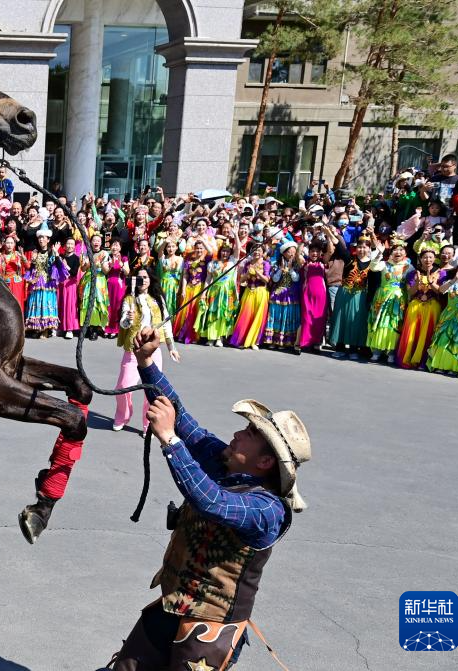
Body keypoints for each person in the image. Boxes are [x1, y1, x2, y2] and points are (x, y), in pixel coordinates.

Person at [107, 326, 311, 671]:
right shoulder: (226, 463)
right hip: (173, 606)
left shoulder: (266, 509)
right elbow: (185, 420)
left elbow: (211, 501)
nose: (236, 433)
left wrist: (169, 440)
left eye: (248, 434)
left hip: (212, 629)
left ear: (265, 462)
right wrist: (147, 364)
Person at [113, 271, 180, 432]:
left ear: (151, 280)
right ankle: (123, 414)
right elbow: (123, 324)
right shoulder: (129, 299)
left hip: (152, 350)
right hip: (133, 350)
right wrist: (128, 319)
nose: (143, 280)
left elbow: (166, 324)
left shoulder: (158, 300)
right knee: (123, 386)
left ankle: (148, 423)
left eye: (146, 277)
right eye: (139, 277)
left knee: (151, 390)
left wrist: (172, 347)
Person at [366, 237, 412, 363]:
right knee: (379, 322)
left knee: (393, 324)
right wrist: (379, 253)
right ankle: (376, 350)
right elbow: (373, 267)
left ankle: (391, 351)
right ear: (391, 252)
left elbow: (412, 284)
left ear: (405, 252)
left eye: (401, 250)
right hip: (382, 297)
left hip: (398, 299)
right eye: (395, 250)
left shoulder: (408, 267)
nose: (398, 252)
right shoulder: (385, 264)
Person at [195, 238, 240, 347]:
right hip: (214, 291)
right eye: (223, 251)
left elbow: (238, 249)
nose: (225, 253)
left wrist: (235, 234)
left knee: (224, 314)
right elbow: (208, 279)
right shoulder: (212, 263)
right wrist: (204, 293)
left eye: (228, 251)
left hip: (227, 292)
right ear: (220, 252)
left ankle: (220, 338)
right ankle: (211, 337)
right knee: (212, 313)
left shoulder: (232, 261)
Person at [262, 240, 303, 352]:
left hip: (291, 295)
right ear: (284, 253)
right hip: (278, 294)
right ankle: (274, 340)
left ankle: (286, 341)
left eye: (294, 252)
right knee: (277, 316)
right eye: (290, 252)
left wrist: (290, 269)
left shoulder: (297, 265)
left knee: (288, 317)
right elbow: (274, 279)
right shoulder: (276, 264)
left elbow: (296, 279)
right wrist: (280, 269)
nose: (292, 254)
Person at [24, 227, 65, 337]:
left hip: (47, 283)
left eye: (43, 237)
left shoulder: (52, 252)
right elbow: (32, 268)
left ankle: (46, 329)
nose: (41, 240)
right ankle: (37, 328)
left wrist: (56, 255)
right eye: (40, 238)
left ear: (48, 239)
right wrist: (31, 277)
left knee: (46, 303)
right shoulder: (35, 252)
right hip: (37, 282)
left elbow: (58, 266)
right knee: (36, 303)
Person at [229, 246, 271, 349]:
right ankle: (242, 339)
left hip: (261, 292)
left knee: (258, 317)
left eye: (259, 250)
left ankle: (254, 341)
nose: (256, 252)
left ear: (263, 252)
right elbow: (241, 281)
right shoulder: (248, 264)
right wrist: (247, 273)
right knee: (245, 315)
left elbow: (267, 280)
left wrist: (258, 273)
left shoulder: (265, 264)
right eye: (254, 249)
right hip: (248, 292)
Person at [79, 234, 111, 340]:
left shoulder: (104, 253)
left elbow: (106, 271)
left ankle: (95, 328)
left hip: (99, 281)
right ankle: (87, 327)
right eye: (94, 240)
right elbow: (83, 269)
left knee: (98, 304)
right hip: (87, 280)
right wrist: (87, 263)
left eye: (98, 240)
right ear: (91, 242)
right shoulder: (86, 253)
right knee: (87, 304)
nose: (96, 242)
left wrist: (103, 264)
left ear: (101, 243)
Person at [57, 238, 82, 339]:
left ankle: (70, 329)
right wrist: (55, 253)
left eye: (72, 244)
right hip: (61, 284)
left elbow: (74, 273)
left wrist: (66, 266)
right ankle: (61, 327)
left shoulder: (76, 258)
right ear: (64, 245)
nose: (70, 246)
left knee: (70, 306)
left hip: (70, 284)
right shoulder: (61, 256)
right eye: (68, 243)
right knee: (61, 304)